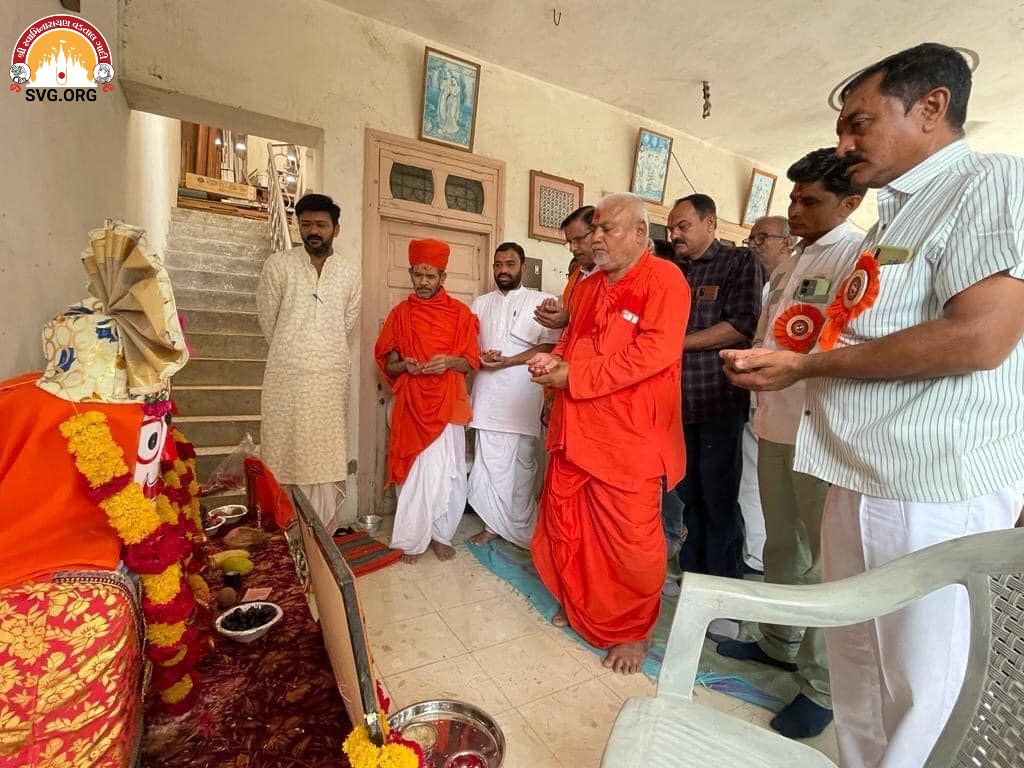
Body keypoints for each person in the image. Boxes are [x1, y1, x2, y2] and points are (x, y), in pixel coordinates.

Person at [722, 43, 1024, 767]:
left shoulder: (989, 182)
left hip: (930, 487)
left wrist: (806, 366)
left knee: (923, 688)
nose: (843, 144)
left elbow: (980, 337)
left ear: (931, 107)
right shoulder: (896, 218)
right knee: (858, 673)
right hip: (857, 474)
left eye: (859, 123)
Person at [718, 147, 865, 740]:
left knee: (828, 564)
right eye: (793, 199)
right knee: (784, 546)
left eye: (810, 200)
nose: (796, 211)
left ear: (849, 203)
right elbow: (773, 334)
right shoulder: (793, 259)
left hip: (820, 432)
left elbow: (852, 344)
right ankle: (779, 641)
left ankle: (823, 686)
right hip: (776, 423)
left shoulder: (858, 255)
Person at [529, 193, 689, 674]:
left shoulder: (665, 280)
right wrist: (553, 360)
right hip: (576, 429)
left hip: (630, 440)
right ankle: (583, 607)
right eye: (594, 229)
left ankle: (634, 630)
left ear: (640, 234)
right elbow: (572, 339)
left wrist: (574, 376)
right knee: (570, 526)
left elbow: (653, 354)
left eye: (607, 229)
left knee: (631, 543)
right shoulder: (588, 286)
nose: (595, 238)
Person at [669, 194, 764, 587]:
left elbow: (741, 325)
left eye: (683, 226)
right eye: (671, 229)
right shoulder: (673, 270)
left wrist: (676, 344)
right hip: (677, 403)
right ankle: (693, 575)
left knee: (719, 496)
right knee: (688, 493)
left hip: (716, 400)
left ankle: (724, 584)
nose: (675, 235)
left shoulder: (739, 262)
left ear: (710, 223)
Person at [257, 193, 361, 533]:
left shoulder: (349, 271)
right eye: (306, 225)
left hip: (330, 376)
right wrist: (295, 349)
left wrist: (321, 348)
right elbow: (268, 320)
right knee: (284, 450)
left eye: (321, 224)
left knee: (325, 453)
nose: (313, 231)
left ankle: (320, 533)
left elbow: (348, 321)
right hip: (285, 375)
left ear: (336, 228)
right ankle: (286, 531)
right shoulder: (278, 265)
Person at [375, 238, 480, 563]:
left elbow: (469, 362)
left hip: (447, 403)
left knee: (448, 472)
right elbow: (388, 363)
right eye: (418, 275)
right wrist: (404, 366)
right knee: (414, 472)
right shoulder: (400, 315)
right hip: (411, 403)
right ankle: (410, 538)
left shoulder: (461, 315)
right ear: (411, 273)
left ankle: (440, 534)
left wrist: (448, 362)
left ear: (442, 277)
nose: (423, 282)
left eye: (430, 276)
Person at [467, 243, 560, 548]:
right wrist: (481, 357)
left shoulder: (541, 301)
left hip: (522, 397)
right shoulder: (479, 304)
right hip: (487, 396)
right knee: (489, 464)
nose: (503, 270)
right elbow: (467, 344)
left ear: (523, 266)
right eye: (498, 264)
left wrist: (509, 361)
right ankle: (492, 525)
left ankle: (521, 526)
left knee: (522, 466)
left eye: (509, 264)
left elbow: (550, 346)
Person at [535, 205, 597, 330]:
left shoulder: (615, 275)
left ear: (598, 233)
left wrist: (569, 319)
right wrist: (557, 315)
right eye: (569, 242)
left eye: (579, 240)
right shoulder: (576, 277)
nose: (572, 248)